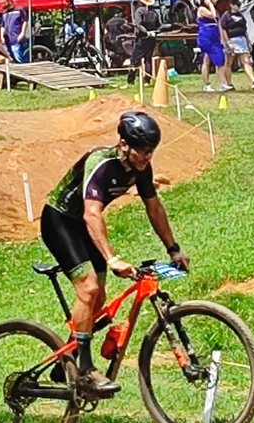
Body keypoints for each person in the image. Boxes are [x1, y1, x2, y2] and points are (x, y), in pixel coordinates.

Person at [40, 109, 188, 393]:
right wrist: (112, 258)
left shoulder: (141, 168)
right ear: (123, 144)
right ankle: (84, 370)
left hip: (84, 225)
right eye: (142, 150)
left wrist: (174, 250)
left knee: (99, 301)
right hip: (60, 220)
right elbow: (91, 213)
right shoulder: (102, 164)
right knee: (89, 288)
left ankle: (65, 362)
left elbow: (154, 207)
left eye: (151, 151)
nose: (147, 157)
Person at [218, 0, 254, 89]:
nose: (238, 7)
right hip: (231, 40)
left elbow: (244, 29)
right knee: (229, 63)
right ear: (231, 5)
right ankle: (228, 83)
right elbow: (223, 29)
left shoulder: (241, 16)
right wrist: (227, 42)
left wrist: (248, 41)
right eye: (236, 5)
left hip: (242, 40)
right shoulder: (226, 16)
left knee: (246, 61)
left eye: (239, 5)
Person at [195, 0, 230, 90]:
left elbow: (219, 23)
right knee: (207, 60)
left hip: (215, 37)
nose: (215, 1)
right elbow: (212, 15)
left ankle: (223, 83)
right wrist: (210, 4)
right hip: (206, 37)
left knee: (218, 59)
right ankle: (207, 84)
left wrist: (222, 38)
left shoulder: (215, 10)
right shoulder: (202, 9)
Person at [131, 0, 162, 77]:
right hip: (152, 38)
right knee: (148, 59)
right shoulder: (154, 12)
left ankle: (131, 79)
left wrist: (146, 32)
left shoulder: (140, 11)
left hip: (142, 38)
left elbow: (138, 24)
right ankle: (147, 79)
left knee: (134, 59)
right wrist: (154, 32)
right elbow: (159, 25)